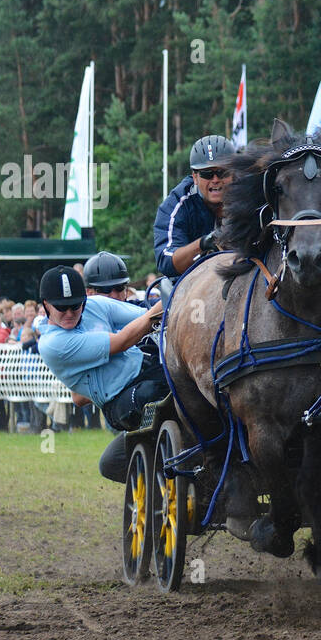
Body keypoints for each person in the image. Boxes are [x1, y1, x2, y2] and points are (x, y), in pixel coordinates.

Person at [34, 266, 166, 482]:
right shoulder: (53, 344)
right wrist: (172, 297)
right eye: (61, 308)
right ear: (46, 305)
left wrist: (175, 297)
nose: (69, 314)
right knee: (153, 393)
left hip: (148, 368)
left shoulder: (95, 306)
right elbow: (123, 341)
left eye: (75, 306)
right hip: (119, 401)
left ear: (84, 300)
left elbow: (144, 315)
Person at [153, 135, 235, 278]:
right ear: (195, 177)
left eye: (222, 172)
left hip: (242, 277)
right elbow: (166, 261)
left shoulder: (250, 195)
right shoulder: (176, 204)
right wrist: (203, 244)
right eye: (207, 174)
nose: (215, 180)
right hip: (191, 283)